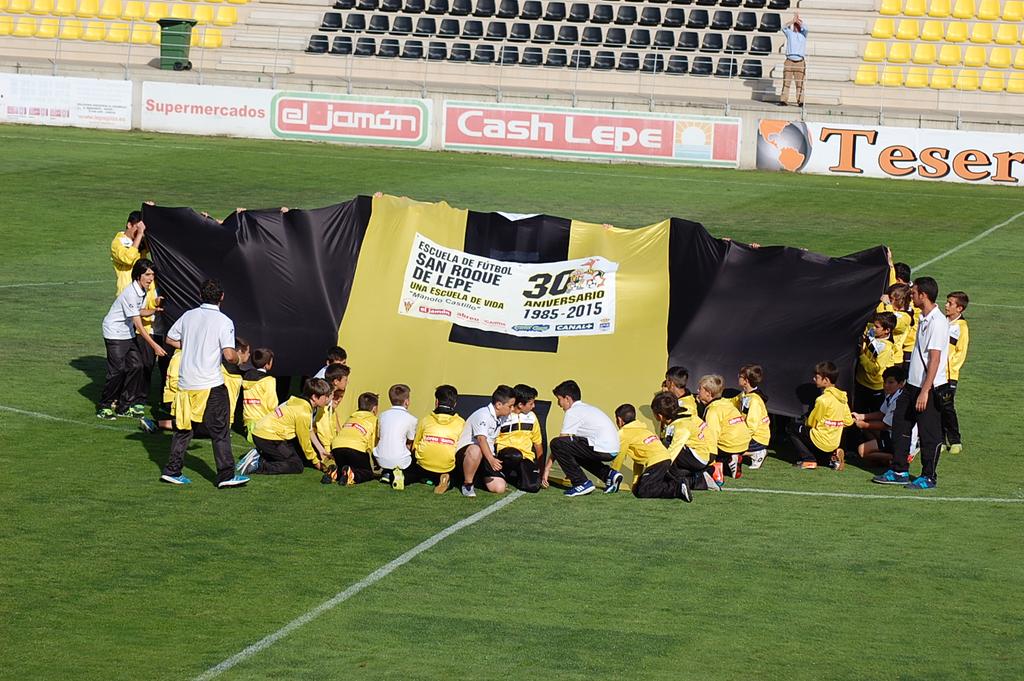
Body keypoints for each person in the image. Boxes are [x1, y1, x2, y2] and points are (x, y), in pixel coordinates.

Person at [160, 279, 248, 488]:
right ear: (222, 297)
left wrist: (191, 345)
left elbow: (170, 339)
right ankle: (226, 475)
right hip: (210, 383)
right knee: (220, 430)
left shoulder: (188, 316)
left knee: (183, 428)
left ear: (200, 295)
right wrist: (238, 358)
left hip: (186, 383)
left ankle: (172, 470)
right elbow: (228, 355)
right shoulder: (224, 321)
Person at [873, 277, 951, 489]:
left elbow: (934, 359)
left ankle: (928, 476)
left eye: (914, 293)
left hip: (929, 388)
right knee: (900, 424)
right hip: (912, 385)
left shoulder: (937, 323)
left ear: (923, 295)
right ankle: (899, 470)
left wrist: (925, 391)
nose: (911, 296)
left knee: (929, 434)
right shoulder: (924, 319)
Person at [98, 259, 167, 420]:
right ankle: (105, 406)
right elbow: (138, 324)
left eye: (152, 274)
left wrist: (153, 310)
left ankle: (124, 406)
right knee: (117, 371)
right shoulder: (131, 293)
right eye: (147, 274)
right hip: (115, 333)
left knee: (137, 365)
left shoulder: (142, 290)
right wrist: (154, 345)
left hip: (126, 332)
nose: (151, 278)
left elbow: (137, 311)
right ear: (138, 275)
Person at [237, 378, 333, 476]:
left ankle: (260, 455)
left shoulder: (300, 401)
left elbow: (308, 432)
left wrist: (320, 451)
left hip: (264, 433)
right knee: (296, 465)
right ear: (314, 397)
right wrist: (316, 463)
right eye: (326, 396)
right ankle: (258, 465)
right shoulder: (303, 412)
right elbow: (305, 442)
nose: (328, 399)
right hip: (267, 437)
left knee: (297, 457)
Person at [549, 380, 621, 497]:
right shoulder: (588, 408)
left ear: (567, 398)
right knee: (573, 449)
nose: (558, 403)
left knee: (556, 443)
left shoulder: (573, 412)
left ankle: (581, 483)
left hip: (602, 449)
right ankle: (609, 474)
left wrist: (547, 469)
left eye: (559, 399)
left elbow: (560, 443)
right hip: (612, 450)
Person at [617, 403, 695, 502]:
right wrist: (635, 481)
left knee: (643, 491)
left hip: (656, 462)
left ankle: (677, 488)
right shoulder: (644, 430)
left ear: (619, 420)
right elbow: (638, 461)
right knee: (639, 488)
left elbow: (618, 457)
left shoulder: (623, 434)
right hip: (665, 458)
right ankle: (675, 482)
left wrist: (612, 475)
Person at [786, 361, 853, 471]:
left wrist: (806, 422)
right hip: (834, 442)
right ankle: (832, 455)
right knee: (815, 439)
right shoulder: (842, 398)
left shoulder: (822, 400)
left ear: (826, 380)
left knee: (792, 428)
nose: (813, 379)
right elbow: (849, 421)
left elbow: (811, 422)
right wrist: (835, 425)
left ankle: (808, 460)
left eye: (817, 377)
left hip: (820, 439)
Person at [398, 385, 465, 494]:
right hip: (447, 466)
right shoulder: (461, 423)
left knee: (415, 470)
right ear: (455, 403)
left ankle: (405, 477)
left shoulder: (426, 420)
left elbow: (415, 445)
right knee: (456, 474)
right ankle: (446, 479)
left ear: (436, 402)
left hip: (423, 465)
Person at [649, 393, 720, 493]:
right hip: (702, 455)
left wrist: (656, 472)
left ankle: (700, 481)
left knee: (664, 448)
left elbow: (673, 451)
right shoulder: (683, 416)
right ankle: (699, 474)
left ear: (659, 416)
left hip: (699, 457)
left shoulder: (680, 426)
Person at [455, 385, 515, 497]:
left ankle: (478, 478)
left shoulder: (501, 416)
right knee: (475, 449)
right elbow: (481, 439)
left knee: (499, 488)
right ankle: (468, 484)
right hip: (467, 455)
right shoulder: (483, 415)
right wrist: (492, 460)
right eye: (510, 406)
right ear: (498, 405)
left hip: (485, 455)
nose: (512, 409)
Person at [696, 375, 750, 479]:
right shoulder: (726, 402)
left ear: (708, 393)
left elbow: (712, 437)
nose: (698, 391)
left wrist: (711, 461)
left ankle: (724, 463)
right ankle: (732, 459)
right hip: (743, 443)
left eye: (700, 389)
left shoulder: (712, 411)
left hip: (729, 446)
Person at [494, 384, 545, 493]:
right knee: (515, 455)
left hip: (526, 457)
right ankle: (502, 473)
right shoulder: (503, 415)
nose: (534, 406)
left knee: (533, 487)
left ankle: (519, 477)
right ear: (521, 404)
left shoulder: (532, 417)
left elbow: (538, 444)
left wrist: (541, 471)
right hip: (507, 454)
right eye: (531, 403)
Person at [852, 365, 906, 461]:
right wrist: (861, 416)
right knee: (867, 429)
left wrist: (863, 424)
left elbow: (886, 425)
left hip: (897, 438)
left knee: (861, 450)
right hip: (890, 433)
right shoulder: (891, 394)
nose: (886, 385)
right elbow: (881, 413)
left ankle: (896, 458)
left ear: (901, 384)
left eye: (890, 382)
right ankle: (883, 451)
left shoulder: (899, 401)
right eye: (885, 382)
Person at [330, 392, 379, 486]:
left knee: (346, 467)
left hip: (337, 446)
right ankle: (353, 475)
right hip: (356, 448)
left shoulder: (351, 417)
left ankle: (336, 473)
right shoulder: (373, 420)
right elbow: (372, 444)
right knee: (367, 473)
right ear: (374, 408)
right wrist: (376, 460)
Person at [375, 384, 419, 487]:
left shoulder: (382, 415)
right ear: (407, 401)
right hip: (400, 460)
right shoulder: (412, 419)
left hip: (380, 458)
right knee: (416, 473)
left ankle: (387, 473)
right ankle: (401, 476)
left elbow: (380, 437)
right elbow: (410, 441)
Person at [942, 291, 970, 454]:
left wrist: (950, 370)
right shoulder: (941, 321)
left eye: (950, 303)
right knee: (935, 408)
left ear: (959, 308)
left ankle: (955, 440)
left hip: (948, 375)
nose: (946, 305)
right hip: (936, 373)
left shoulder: (962, 328)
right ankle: (939, 439)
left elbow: (961, 352)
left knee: (947, 407)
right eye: (947, 302)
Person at [854, 312, 897, 414]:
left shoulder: (886, 348)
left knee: (871, 417)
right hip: (860, 382)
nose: (873, 328)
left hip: (873, 388)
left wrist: (861, 355)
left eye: (877, 327)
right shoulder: (873, 332)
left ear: (887, 330)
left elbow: (874, 369)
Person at [735, 364, 771, 470]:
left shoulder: (754, 400)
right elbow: (733, 401)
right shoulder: (744, 394)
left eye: (740, 376)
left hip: (757, 439)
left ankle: (757, 452)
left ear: (746, 381)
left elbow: (752, 426)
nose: (738, 378)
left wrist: (740, 438)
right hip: (749, 435)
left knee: (728, 448)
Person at [241, 348, 278, 435]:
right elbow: (272, 404)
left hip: (248, 420)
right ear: (267, 364)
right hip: (263, 421)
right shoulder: (269, 380)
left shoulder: (245, 377)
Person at [779, 13, 808, 107]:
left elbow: (806, 28)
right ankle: (783, 100)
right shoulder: (790, 33)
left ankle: (800, 101)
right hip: (789, 60)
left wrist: (799, 22)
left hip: (800, 61)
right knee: (786, 82)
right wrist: (792, 21)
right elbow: (783, 27)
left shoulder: (803, 34)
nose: (796, 26)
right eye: (795, 25)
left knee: (800, 84)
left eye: (797, 25)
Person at [222, 337, 250, 428]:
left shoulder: (219, 366)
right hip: (221, 422)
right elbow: (231, 401)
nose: (249, 355)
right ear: (240, 351)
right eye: (247, 352)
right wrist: (228, 423)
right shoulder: (234, 377)